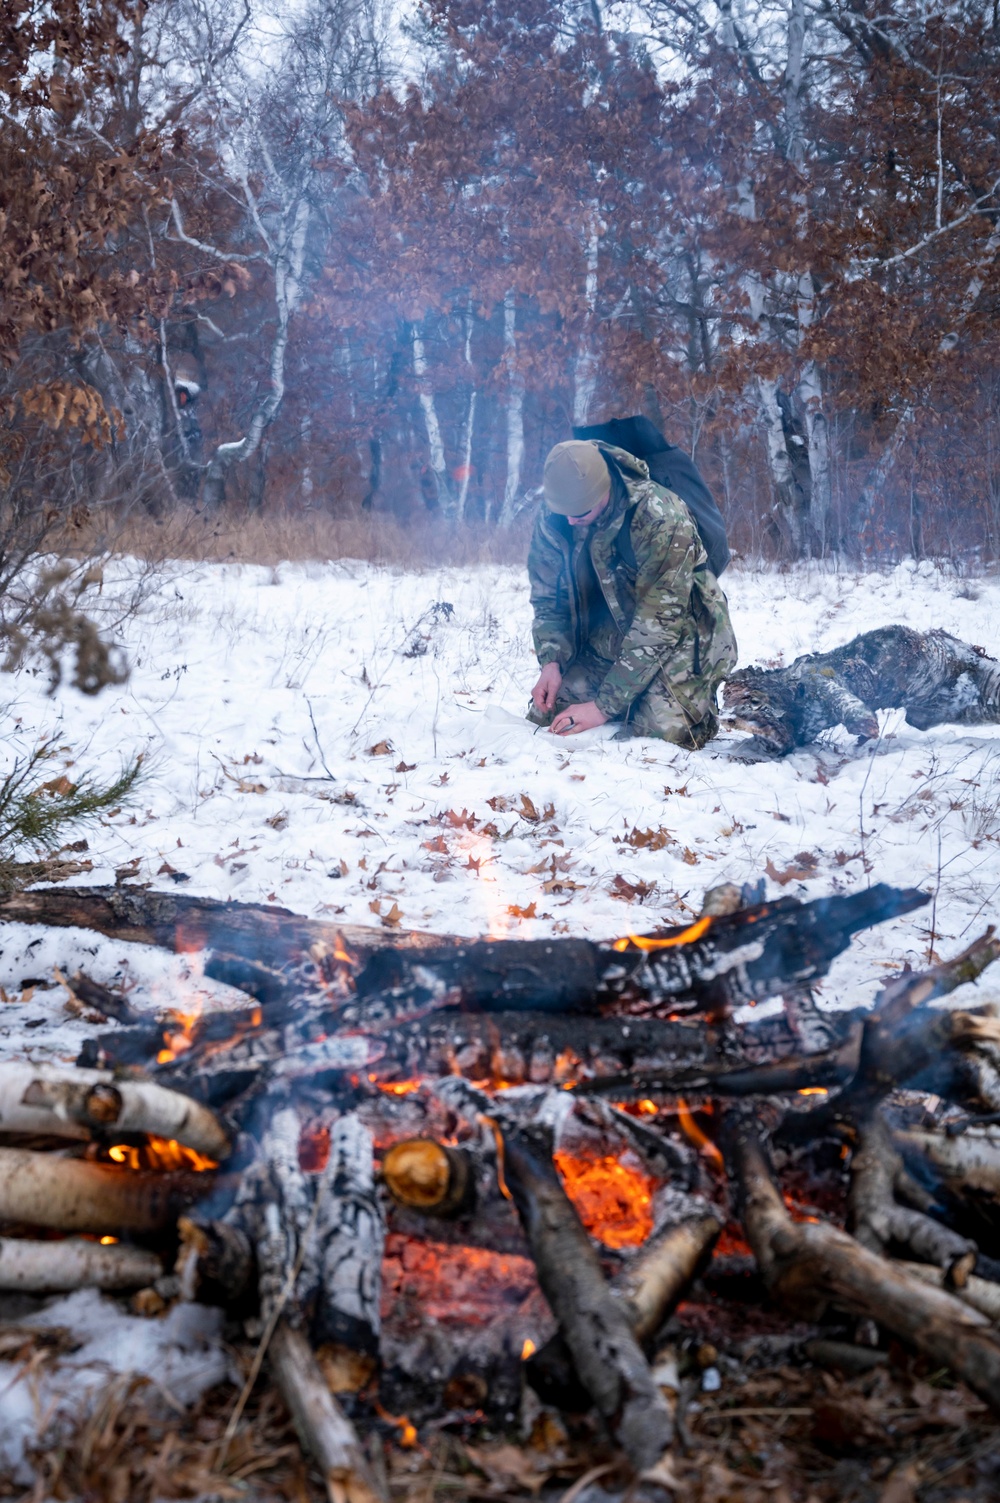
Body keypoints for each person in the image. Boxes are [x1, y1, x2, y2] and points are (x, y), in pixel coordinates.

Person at [527, 438, 737, 746]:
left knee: (663, 735)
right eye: (564, 512)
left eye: (581, 512)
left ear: (604, 490)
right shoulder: (554, 517)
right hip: (613, 635)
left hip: (684, 637)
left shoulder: (661, 517)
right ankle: (632, 696)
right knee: (548, 715)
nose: (571, 521)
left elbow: (660, 625)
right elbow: (549, 601)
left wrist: (602, 708)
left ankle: (696, 704)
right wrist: (552, 661)